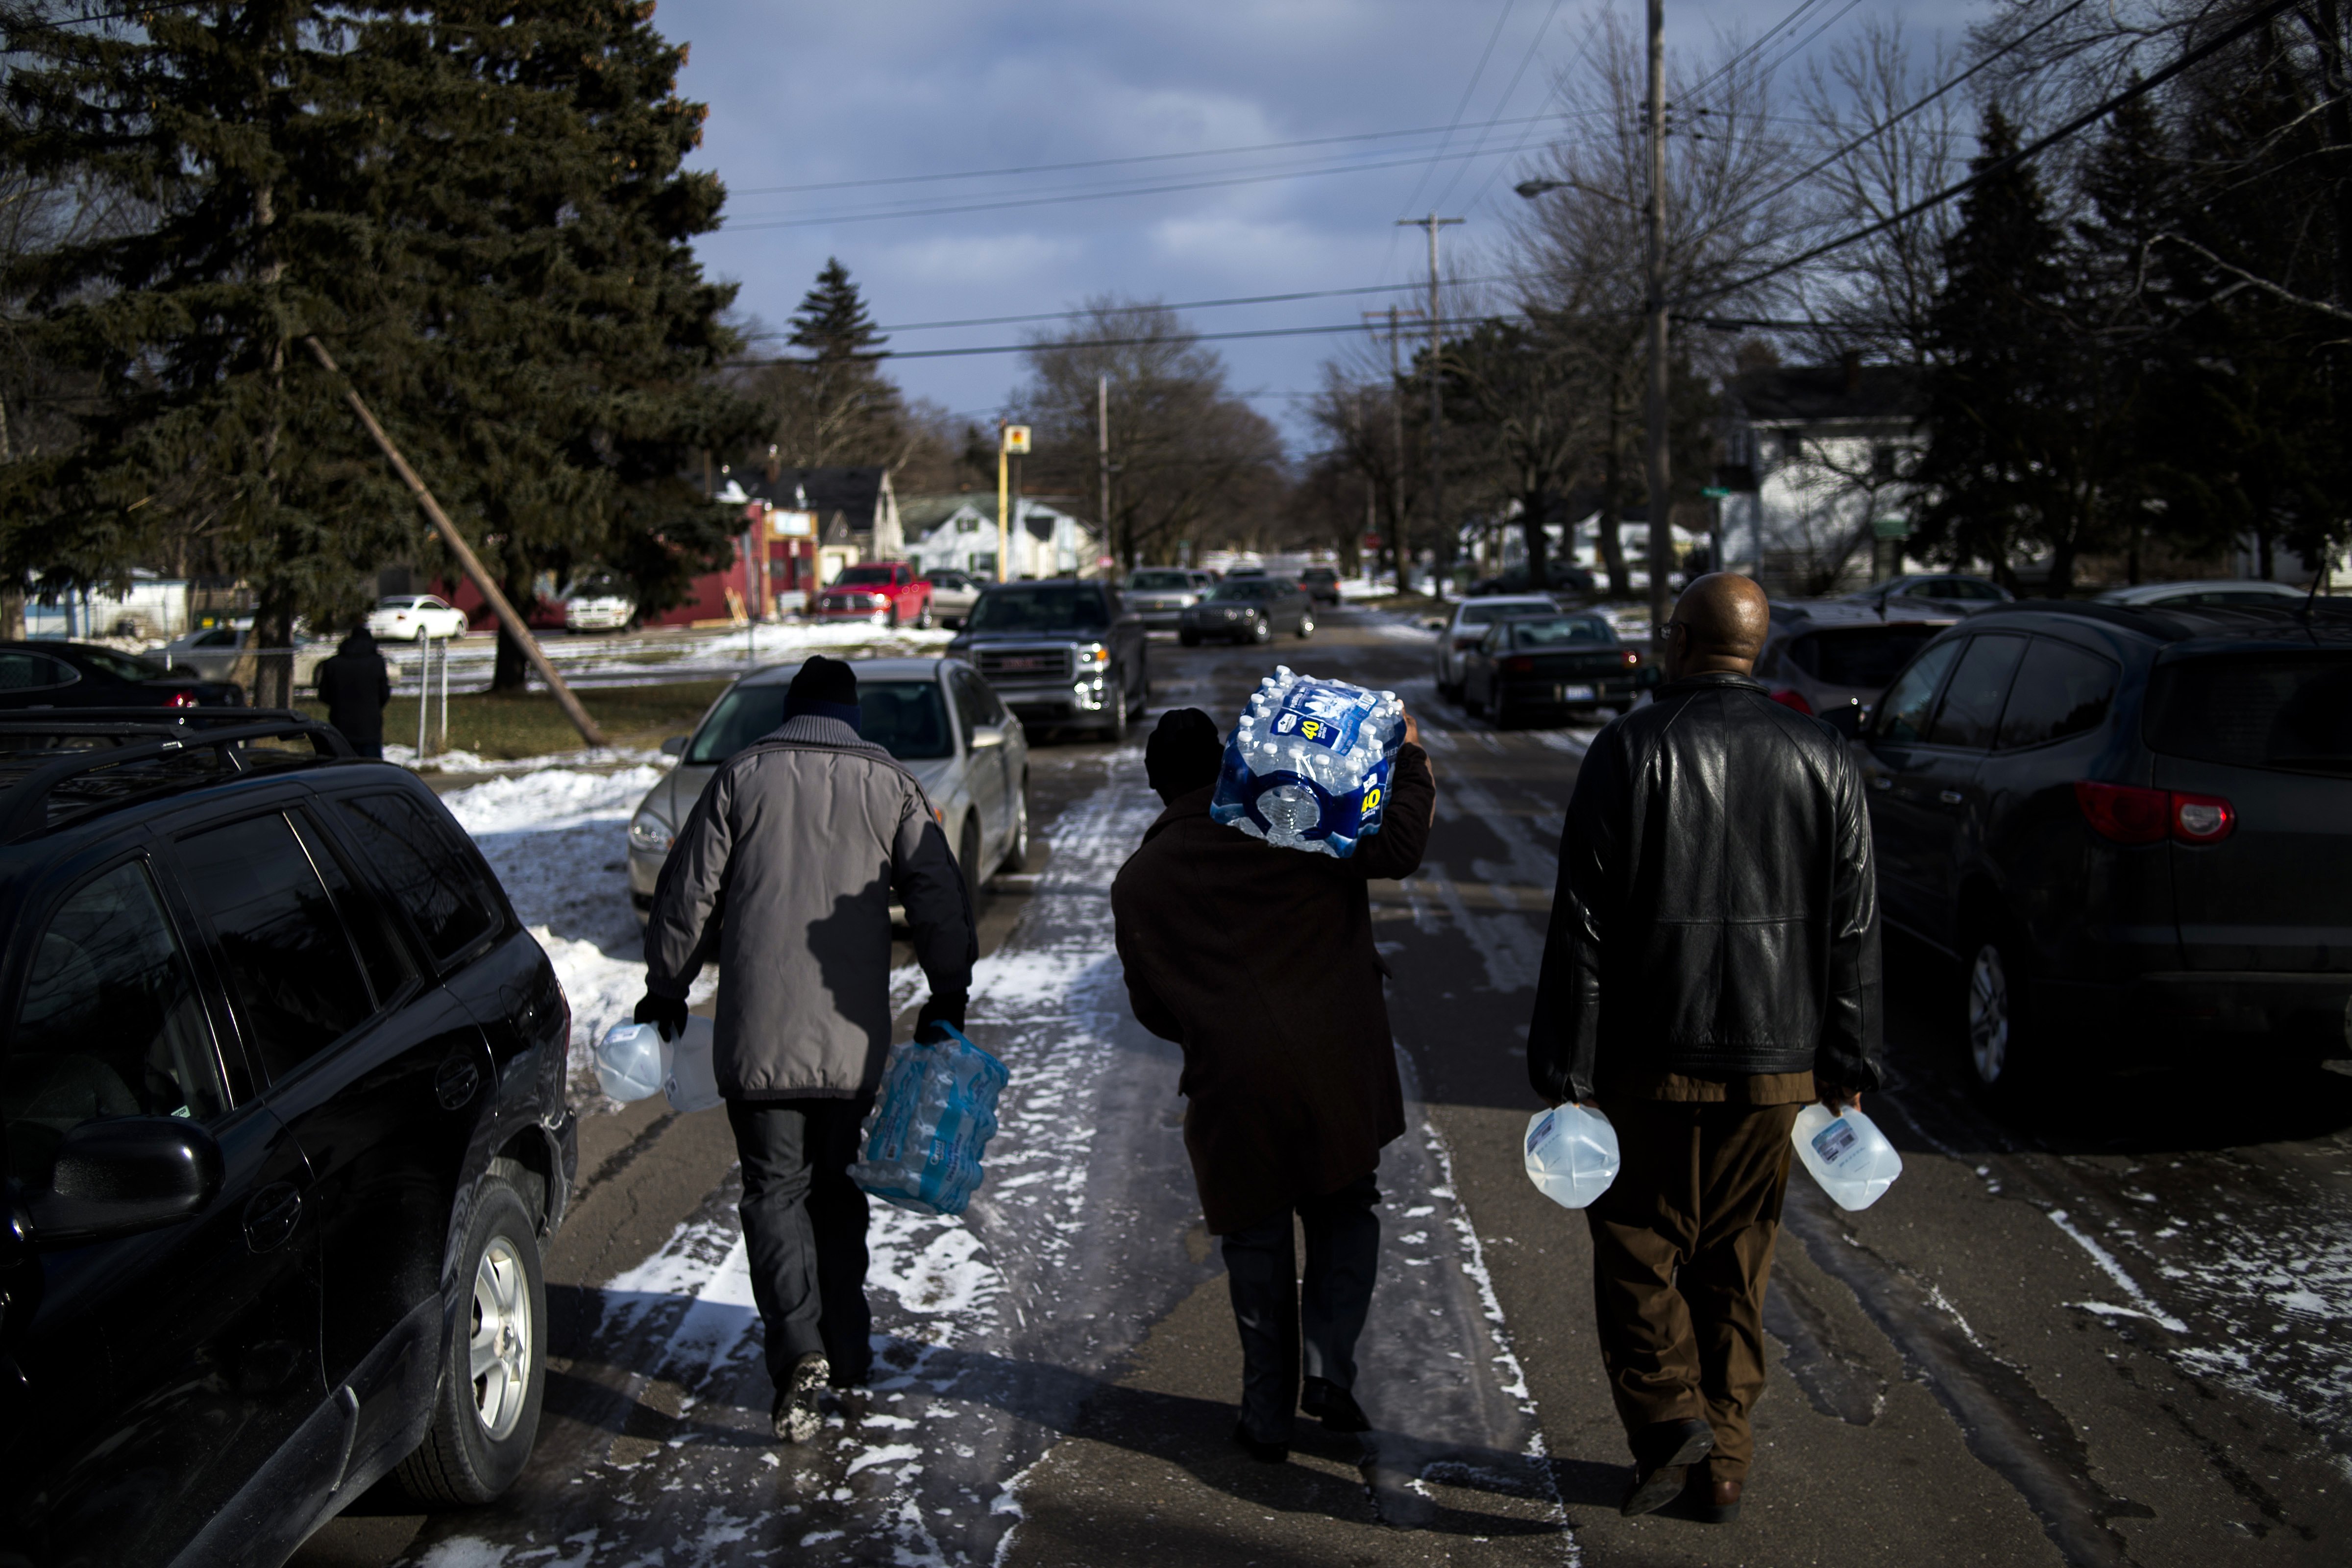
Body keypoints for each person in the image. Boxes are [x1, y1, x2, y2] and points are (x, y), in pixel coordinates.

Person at [1526, 572, 1881, 1524]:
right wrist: (1850, 1063)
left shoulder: (1631, 748)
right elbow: (1853, 927)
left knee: (1638, 1246)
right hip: (1780, 1066)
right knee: (1738, 1258)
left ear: (1682, 640)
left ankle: (1668, 1414)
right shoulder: (1823, 755)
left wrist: (1567, 1067)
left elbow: (1584, 926)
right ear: (1753, 649)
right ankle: (1723, 1457)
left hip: (1650, 1059)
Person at [637, 655, 974, 1443]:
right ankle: (849, 1350)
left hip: (758, 1036)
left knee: (773, 1192)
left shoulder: (741, 774)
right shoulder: (890, 782)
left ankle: (798, 1355)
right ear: (851, 714)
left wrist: (667, 987)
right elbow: (936, 891)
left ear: (789, 709)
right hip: (852, 1038)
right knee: (836, 1187)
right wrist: (947, 993)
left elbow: (688, 892)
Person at [1110, 705, 1436, 1462]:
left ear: (1157, 787)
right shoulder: (1286, 820)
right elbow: (1395, 846)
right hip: (1334, 1064)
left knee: (1256, 1241)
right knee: (1345, 1208)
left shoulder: (1140, 882)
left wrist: (1217, 1028)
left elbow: (1152, 1007)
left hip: (1234, 1087)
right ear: (1227, 765)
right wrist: (1412, 763)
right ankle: (1329, 1374)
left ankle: (1266, 1417)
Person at [313, 625, 392, 758]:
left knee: (345, 771)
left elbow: (324, 695)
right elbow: (384, 694)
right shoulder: (377, 663)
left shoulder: (333, 664)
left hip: (341, 726)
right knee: (372, 772)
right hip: (370, 728)